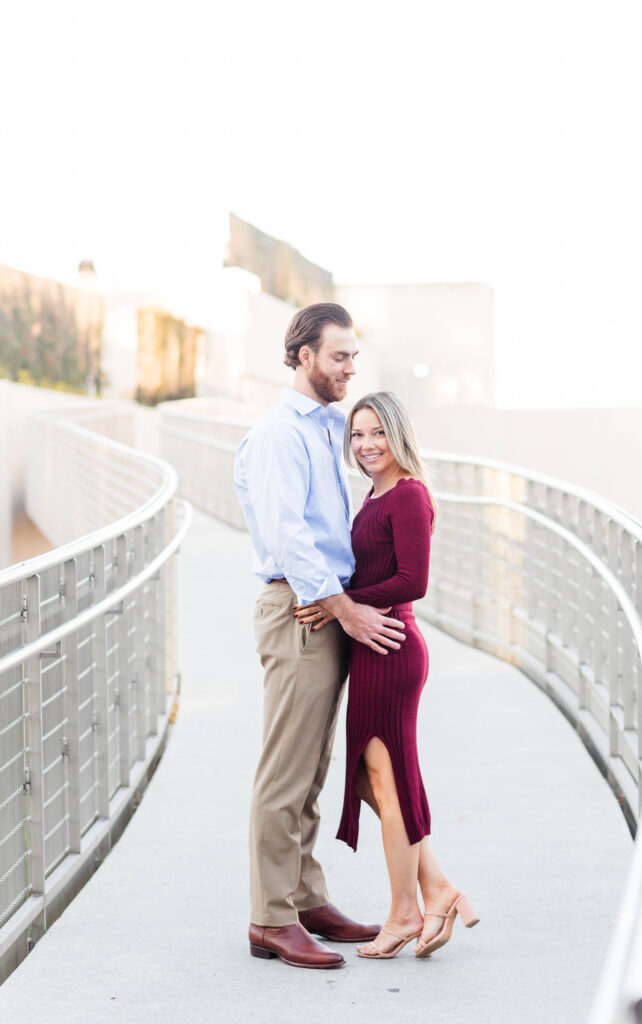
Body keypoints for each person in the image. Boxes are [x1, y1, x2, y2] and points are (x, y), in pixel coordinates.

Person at [234, 304, 407, 970]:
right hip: (304, 612)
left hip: (324, 609)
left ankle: (305, 897)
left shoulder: (328, 428)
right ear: (303, 356)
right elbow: (288, 536)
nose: (349, 368)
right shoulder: (281, 433)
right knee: (284, 772)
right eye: (339, 356)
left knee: (310, 769)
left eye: (353, 357)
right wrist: (344, 609)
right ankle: (270, 919)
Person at [296, 391, 479, 959]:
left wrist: (338, 602)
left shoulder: (408, 495)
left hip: (393, 647)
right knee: (377, 782)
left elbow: (412, 580)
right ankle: (439, 888)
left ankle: (403, 915)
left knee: (388, 780)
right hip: (376, 648)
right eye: (357, 436)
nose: (367, 445)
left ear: (398, 435)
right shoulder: (374, 496)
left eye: (377, 433)